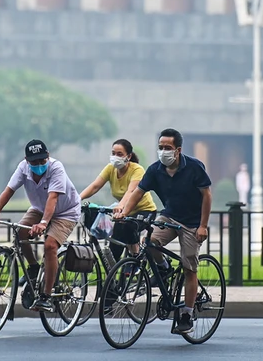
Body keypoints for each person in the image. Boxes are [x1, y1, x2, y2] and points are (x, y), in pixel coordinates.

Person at [114, 128, 212, 335]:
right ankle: (163, 267)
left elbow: (207, 195)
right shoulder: (155, 169)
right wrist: (124, 212)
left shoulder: (194, 167)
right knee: (148, 244)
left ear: (178, 150)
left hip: (192, 223)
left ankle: (186, 313)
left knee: (189, 267)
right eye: (160, 148)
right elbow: (138, 192)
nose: (163, 151)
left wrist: (203, 225)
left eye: (167, 148)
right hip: (168, 216)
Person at [0, 139, 81, 312]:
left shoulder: (56, 168)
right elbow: (9, 190)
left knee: (50, 246)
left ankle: (46, 296)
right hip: (39, 208)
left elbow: (53, 197)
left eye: (42, 161)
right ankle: (34, 267)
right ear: (27, 160)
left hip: (65, 212)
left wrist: (44, 223)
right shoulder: (23, 168)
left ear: (48, 156)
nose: (38, 165)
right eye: (34, 162)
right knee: (20, 232)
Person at [79, 138, 157, 260]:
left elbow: (131, 191)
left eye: (120, 154)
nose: (115, 157)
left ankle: (135, 257)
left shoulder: (137, 169)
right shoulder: (110, 168)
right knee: (115, 241)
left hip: (144, 211)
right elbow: (95, 186)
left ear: (129, 156)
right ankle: (113, 271)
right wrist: (77, 199)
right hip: (122, 212)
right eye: (113, 153)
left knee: (128, 226)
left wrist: (121, 206)